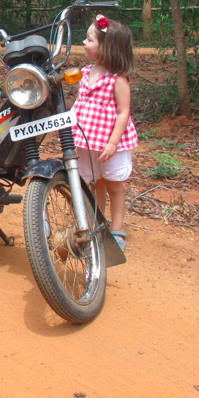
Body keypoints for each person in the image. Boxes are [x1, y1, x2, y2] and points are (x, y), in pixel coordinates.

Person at [71, 14, 138, 251]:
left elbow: (123, 113)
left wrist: (112, 143)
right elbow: (80, 103)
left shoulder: (118, 79)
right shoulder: (86, 72)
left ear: (106, 47)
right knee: (94, 183)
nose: (84, 42)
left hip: (111, 144)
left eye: (89, 39)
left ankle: (117, 229)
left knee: (113, 186)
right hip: (87, 140)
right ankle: (96, 224)